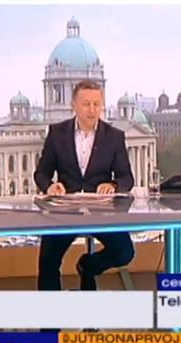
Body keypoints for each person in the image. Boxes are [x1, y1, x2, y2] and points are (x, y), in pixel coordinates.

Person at [34, 80, 135, 291]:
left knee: (125, 252)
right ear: (74, 105)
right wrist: (50, 187)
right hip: (64, 213)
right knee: (47, 263)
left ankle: (88, 265)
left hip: (101, 212)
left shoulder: (114, 137)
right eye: (86, 104)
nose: (92, 110)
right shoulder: (57, 133)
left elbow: (127, 178)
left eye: (96, 104)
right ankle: (49, 313)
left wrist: (113, 185)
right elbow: (41, 173)